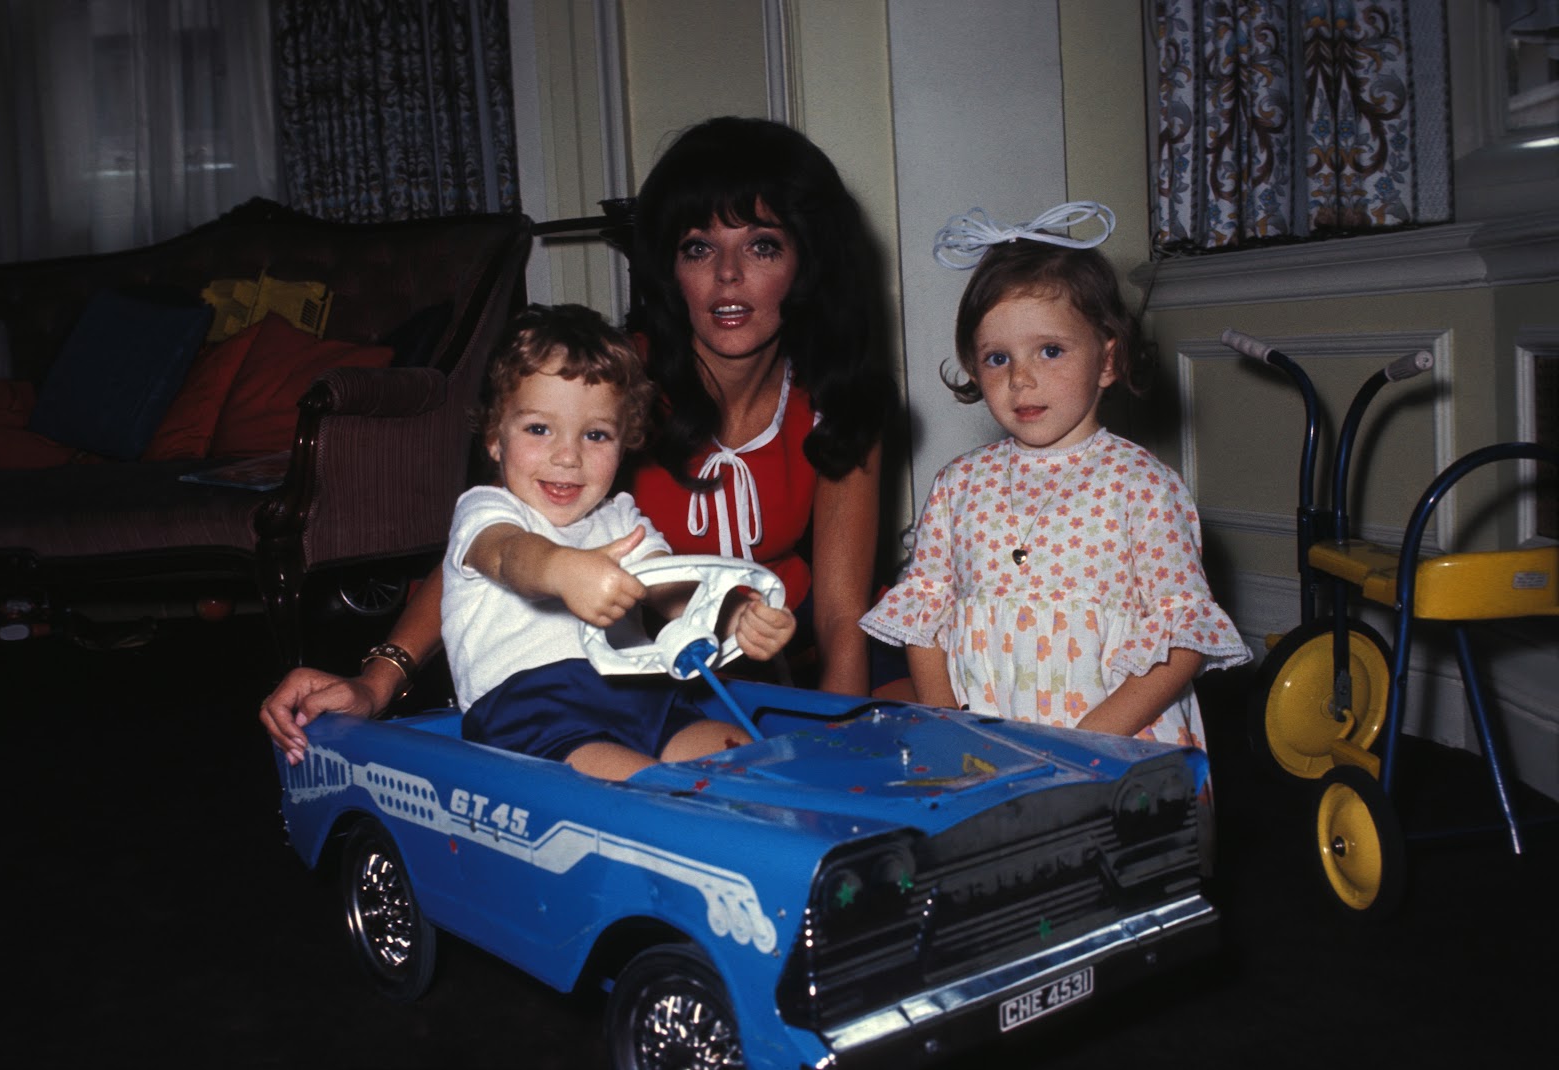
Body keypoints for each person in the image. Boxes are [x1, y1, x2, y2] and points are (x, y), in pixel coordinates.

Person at [262, 117, 895, 765]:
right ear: (669, 268)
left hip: (759, 667)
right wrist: (376, 680)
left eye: (762, 246)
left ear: (806, 261)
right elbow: (492, 551)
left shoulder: (837, 400)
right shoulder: (606, 390)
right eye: (699, 248)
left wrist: (837, 753)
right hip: (608, 680)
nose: (728, 276)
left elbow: (844, 615)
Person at [859, 203, 1248, 749]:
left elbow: (1181, 641)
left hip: (1113, 738)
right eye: (997, 358)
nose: (1022, 379)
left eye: (1050, 350)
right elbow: (922, 617)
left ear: (1107, 361)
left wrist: (1085, 741)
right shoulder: (958, 485)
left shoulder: (1142, 487)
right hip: (986, 736)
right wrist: (948, 721)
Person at [445, 303, 793, 780]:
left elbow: (674, 595)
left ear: (625, 440)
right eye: (539, 429)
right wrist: (561, 569)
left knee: (752, 767)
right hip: (531, 714)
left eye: (595, 434)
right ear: (493, 438)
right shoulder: (488, 510)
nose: (568, 456)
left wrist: (737, 619)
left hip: (642, 694)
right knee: (647, 793)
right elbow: (508, 556)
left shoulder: (621, 517)